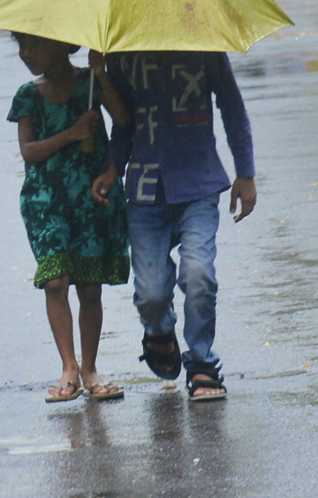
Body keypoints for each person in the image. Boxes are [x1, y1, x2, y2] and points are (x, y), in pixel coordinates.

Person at [92, 52, 257, 401]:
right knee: (151, 293)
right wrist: (112, 168)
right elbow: (123, 123)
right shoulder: (122, 56)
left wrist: (245, 172)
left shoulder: (205, 48)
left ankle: (201, 362)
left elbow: (232, 107)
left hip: (198, 185)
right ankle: (159, 331)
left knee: (199, 275)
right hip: (144, 191)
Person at [8, 35, 131, 403]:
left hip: (89, 196)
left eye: (34, 45)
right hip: (45, 201)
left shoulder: (89, 85)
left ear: (63, 44)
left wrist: (101, 74)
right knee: (55, 282)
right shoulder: (27, 95)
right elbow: (29, 152)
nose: (25, 53)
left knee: (89, 287)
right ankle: (69, 367)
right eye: (20, 44)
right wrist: (71, 134)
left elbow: (124, 119)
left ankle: (90, 368)